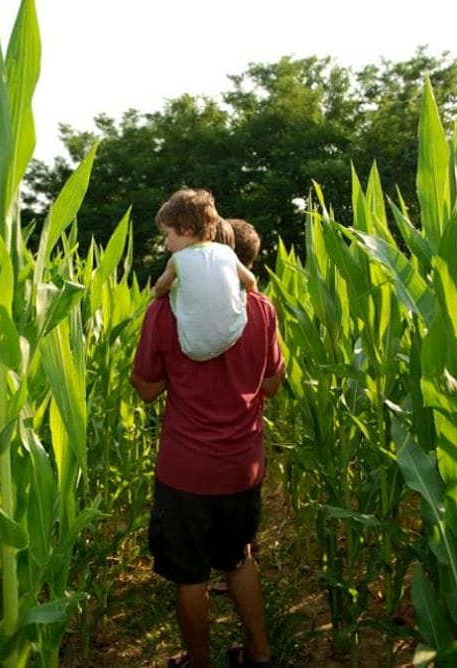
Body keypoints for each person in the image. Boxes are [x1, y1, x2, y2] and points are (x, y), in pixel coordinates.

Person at [132, 212, 284, 668]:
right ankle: (259, 653)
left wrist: (178, 379)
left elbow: (145, 388)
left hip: (186, 471)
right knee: (239, 560)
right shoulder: (261, 309)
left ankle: (198, 662)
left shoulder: (165, 311)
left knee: (191, 576)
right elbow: (273, 384)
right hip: (242, 465)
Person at [151, 189, 258, 362]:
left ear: (186, 229)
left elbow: (160, 287)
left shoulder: (177, 260)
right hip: (233, 333)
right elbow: (250, 281)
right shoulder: (227, 252)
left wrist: (159, 291)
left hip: (194, 349)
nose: (166, 244)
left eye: (167, 234)